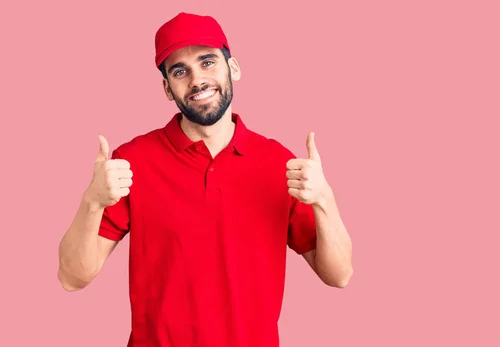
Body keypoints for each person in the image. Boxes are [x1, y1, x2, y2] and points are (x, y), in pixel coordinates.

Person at [57, 12, 353, 347]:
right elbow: (71, 277)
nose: (197, 80)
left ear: (234, 69)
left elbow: (339, 275)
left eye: (208, 62)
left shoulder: (279, 163)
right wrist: (91, 202)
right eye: (180, 71)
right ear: (168, 88)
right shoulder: (133, 161)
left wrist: (324, 199)